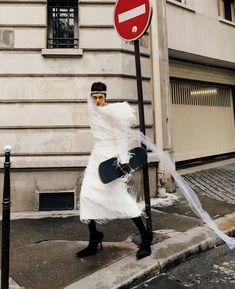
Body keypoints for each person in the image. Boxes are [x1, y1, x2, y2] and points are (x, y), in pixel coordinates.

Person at [77, 82, 153, 259]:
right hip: (96, 159)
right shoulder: (92, 112)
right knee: (87, 196)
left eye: (100, 97)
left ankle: (145, 236)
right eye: (94, 97)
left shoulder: (113, 113)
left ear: (106, 97)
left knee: (120, 197)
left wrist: (124, 162)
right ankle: (94, 238)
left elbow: (120, 137)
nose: (97, 101)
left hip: (112, 160)